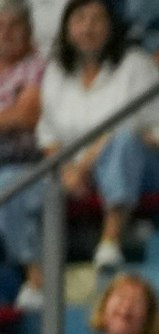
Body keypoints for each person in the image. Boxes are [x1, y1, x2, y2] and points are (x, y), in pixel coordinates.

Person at [33, 0, 159, 273]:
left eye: (96, 19)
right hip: (75, 172)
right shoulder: (56, 72)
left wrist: (83, 167)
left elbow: (134, 129)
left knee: (123, 144)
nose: (88, 28)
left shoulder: (136, 66)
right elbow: (47, 134)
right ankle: (35, 279)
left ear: (112, 27)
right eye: (80, 19)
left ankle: (110, 242)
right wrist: (66, 170)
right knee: (12, 181)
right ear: (66, 28)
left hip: (147, 168)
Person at [0, 1, 45, 311]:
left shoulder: (39, 66)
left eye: (14, 26)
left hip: (31, 162)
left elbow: (27, 115)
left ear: (29, 31)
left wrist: (14, 115)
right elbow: (12, 115)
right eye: (0, 27)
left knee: (8, 184)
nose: (6, 33)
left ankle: (36, 278)